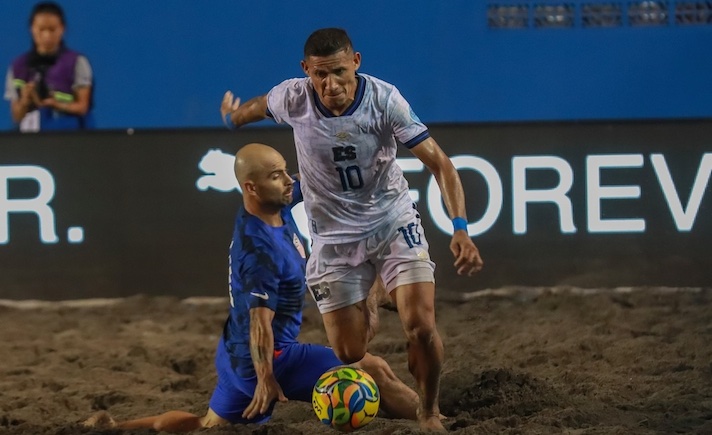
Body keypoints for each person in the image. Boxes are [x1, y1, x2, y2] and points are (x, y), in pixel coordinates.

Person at [220, 28, 484, 431]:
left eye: (339, 72)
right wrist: (235, 117)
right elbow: (260, 105)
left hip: (392, 222)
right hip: (333, 239)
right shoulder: (293, 98)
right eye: (320, 75)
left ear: (356, 62)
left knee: (420, 326)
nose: (331, 85)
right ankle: (375, 291)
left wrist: (461, 229)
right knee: (348, 352)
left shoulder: (385, 100)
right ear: (306, 70)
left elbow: (441, 164)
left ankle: (429, 412)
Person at [83, 143, 422, 432]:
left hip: (238, 350)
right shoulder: (259, 251)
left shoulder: (273, 206)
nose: (288, 181)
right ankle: (435, 419)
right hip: (266, 358)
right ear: (251, 188)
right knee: (372, 369)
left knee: (208, 425)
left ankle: (114, 427)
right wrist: (265, 379)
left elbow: (317, 180)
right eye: (277, 175)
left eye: (285, 171)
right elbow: (260, 324)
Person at [4, 1, 94, 132]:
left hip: (69, 135)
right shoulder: (17, 66)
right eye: (41, 29)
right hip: (30, 137)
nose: (47, 36)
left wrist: (56, 104)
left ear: (62, 29)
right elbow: (16, 116)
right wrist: (24, 101)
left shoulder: (77, 62)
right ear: (32, 29)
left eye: (52, 30)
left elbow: (83, 107)